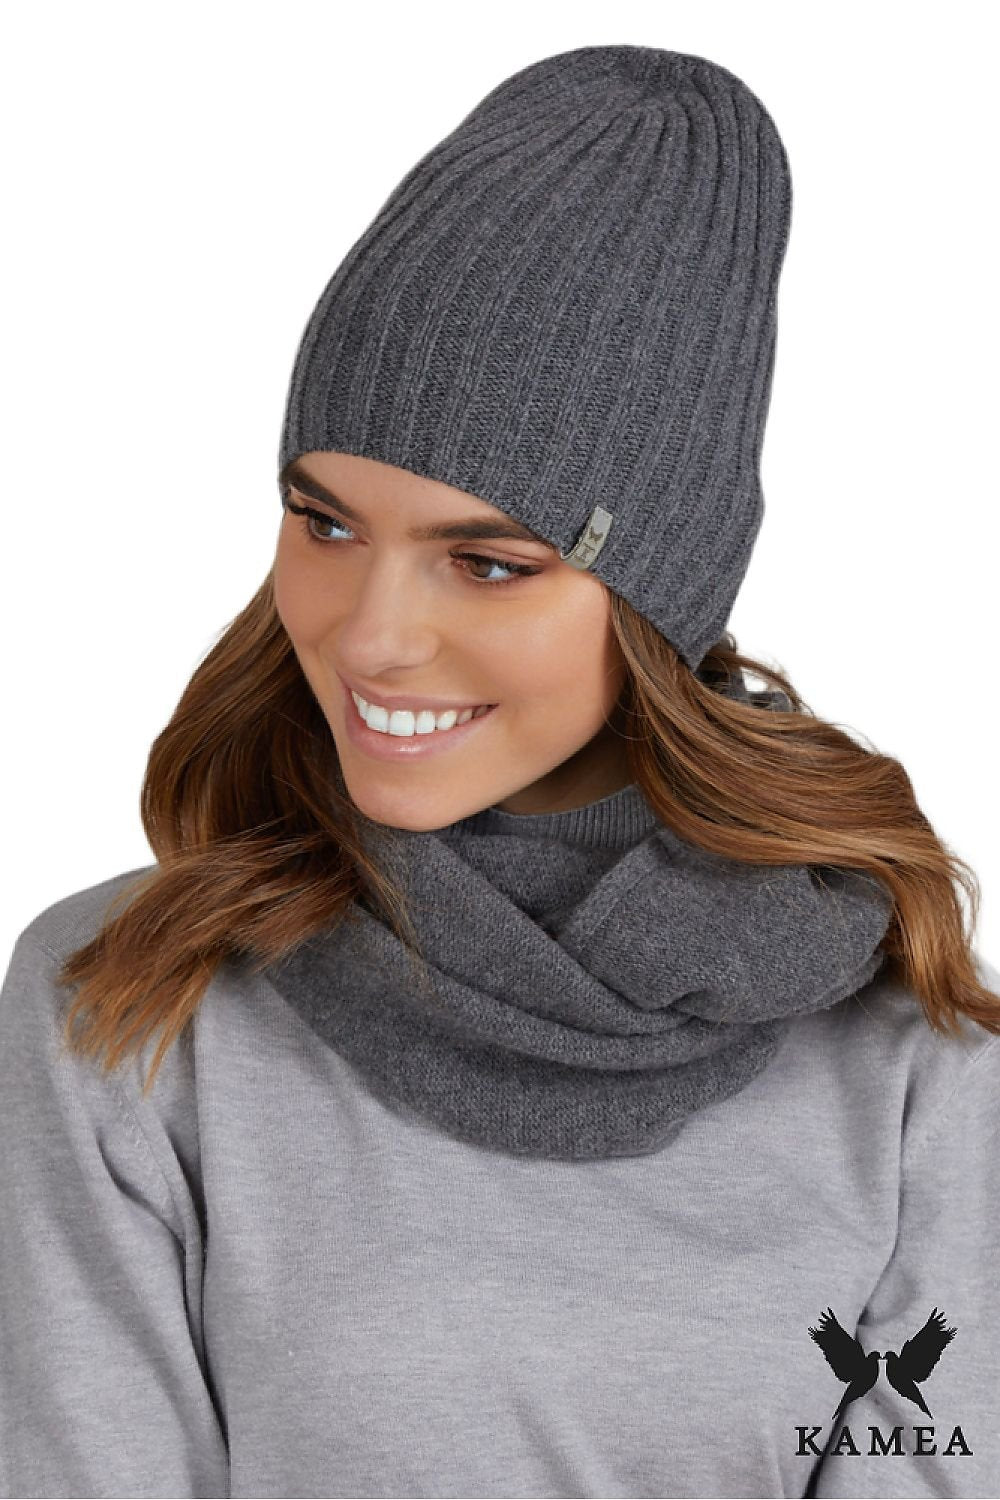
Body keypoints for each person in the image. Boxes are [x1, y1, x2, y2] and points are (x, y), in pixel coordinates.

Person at [1, 42, 998, 1500]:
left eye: (486, 561)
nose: (370, 636)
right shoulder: (131, 1004)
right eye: (325, 524)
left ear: (660, 593)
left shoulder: (915, 1064)